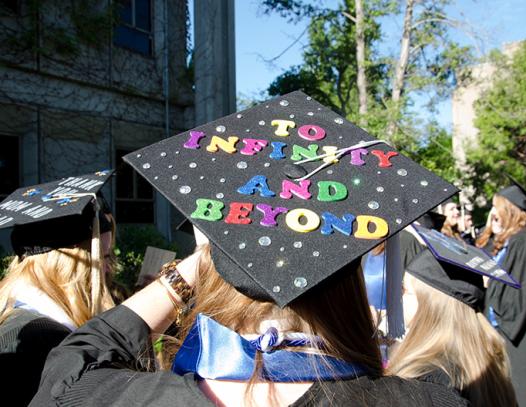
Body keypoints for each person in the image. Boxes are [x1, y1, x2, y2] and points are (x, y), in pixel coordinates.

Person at [31, 90, 467, 406]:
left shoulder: (116, 397)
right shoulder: (430, 402)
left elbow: (76, 358)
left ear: (213, 263)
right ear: (349, 281)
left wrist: (190, 270)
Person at [0, 171, 115, 407]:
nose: (107, 269)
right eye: (102, 257)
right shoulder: (41, 339)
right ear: (70, 265)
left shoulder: (18, 319)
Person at [389, 248, 517, 407]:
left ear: (430, 305)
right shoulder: (485, 362)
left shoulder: (427, 380)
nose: (398, 297)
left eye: (404, 289)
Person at [477, 179, 526, 407]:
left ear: (508, 209)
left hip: (522, 338)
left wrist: (489, 284)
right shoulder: (515, 240)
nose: (494, 213)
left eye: (497, 207)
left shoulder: (524, 241)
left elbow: (521, 298)